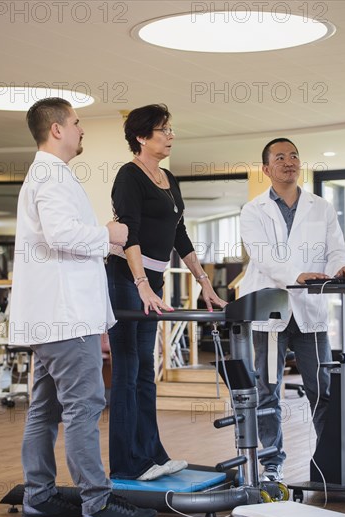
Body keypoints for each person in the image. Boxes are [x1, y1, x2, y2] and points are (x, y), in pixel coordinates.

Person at [8, 97, 157, 517]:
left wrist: (102, 242)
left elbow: (60, 238)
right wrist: (107, 233)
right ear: (56, 129)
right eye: (76, 123)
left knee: (45, 409)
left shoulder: (48, 176)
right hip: (65, 315)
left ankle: (40, 498)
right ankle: (97, 502)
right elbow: (60, 235)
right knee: (84, 406)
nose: (81, 129)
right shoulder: (50, 176)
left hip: (54, 315)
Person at [106, 103, 227, 481]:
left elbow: (179, 234)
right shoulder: (129, 177)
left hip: (151, 282)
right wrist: (141, 284)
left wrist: (204, 282)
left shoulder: (168, 178)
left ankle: (151, 455)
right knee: (127, 371)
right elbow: (130, 233)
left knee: (145, 371)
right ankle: (128, 463)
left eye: (171, 129)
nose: (171, 135)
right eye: (163, 130)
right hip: (126, 280)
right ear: (142, 137)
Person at [239, 137, 345, 482]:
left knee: (322, 388)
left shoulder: (321, 206)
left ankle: (329, 459)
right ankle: (272, 463)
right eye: (280, 157)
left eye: (294, 156)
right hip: (270, 310)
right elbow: (264, 257)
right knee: (267, 389)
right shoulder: (252, 210)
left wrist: (341, 268)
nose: (289, 161)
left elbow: (337, 249)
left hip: (310, 311)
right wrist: (296, 275)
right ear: (266, 169)